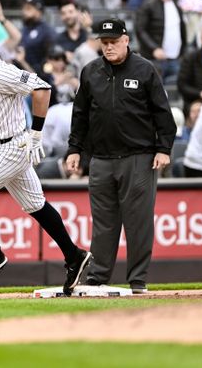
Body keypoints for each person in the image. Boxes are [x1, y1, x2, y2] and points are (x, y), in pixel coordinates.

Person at [0, 22, 91, 292]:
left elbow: (42, 89)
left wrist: (36, 133)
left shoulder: (1, 71)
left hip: (13, 145)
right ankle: (74, 255)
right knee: (36, 205)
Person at [65, 18, 176, 293]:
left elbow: (163, 112)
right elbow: (80, 114)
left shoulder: (144, 69)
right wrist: (74, 149)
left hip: (138, 156)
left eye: (113, 42)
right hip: (100, 159)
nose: (109, 47)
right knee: (103, 223)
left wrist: (163, 148)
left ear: (126, 40)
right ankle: (97, 278)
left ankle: (138, 280)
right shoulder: (90, 71)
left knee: (138, 222)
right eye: (104, 43)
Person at [135, 0, 187, 84]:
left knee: (174, 94)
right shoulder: (148, 5)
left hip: (175, 59)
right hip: (154, 60)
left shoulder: (177, 5)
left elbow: (181, 30)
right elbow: (140, 29)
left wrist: (183, 52)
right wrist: (154, 48)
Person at [20, 0, 56, 76]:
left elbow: (50, 57)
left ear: (38, 11)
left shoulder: (46, 30)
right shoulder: (24, 29)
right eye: (24, 9)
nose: (24, 12)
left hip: (41, 74)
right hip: (22, 72)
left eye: (28, 9)